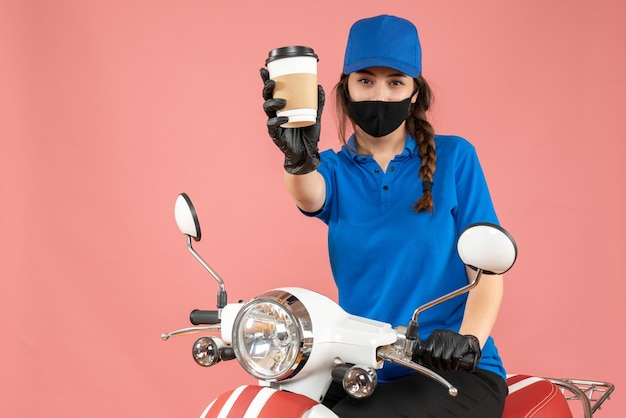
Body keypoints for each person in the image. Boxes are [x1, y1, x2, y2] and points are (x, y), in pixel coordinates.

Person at [260, 14, 508, 418]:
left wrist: (467, 342)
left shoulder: (455, 158)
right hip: (365, 371)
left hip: (451, 373)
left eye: (395, 81)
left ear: (415, 93)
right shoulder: (334, 171)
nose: (380, 93)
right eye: (366, 80)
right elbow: (308, 194)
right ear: (345, 91)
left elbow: (488, 272)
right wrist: (296, 159)